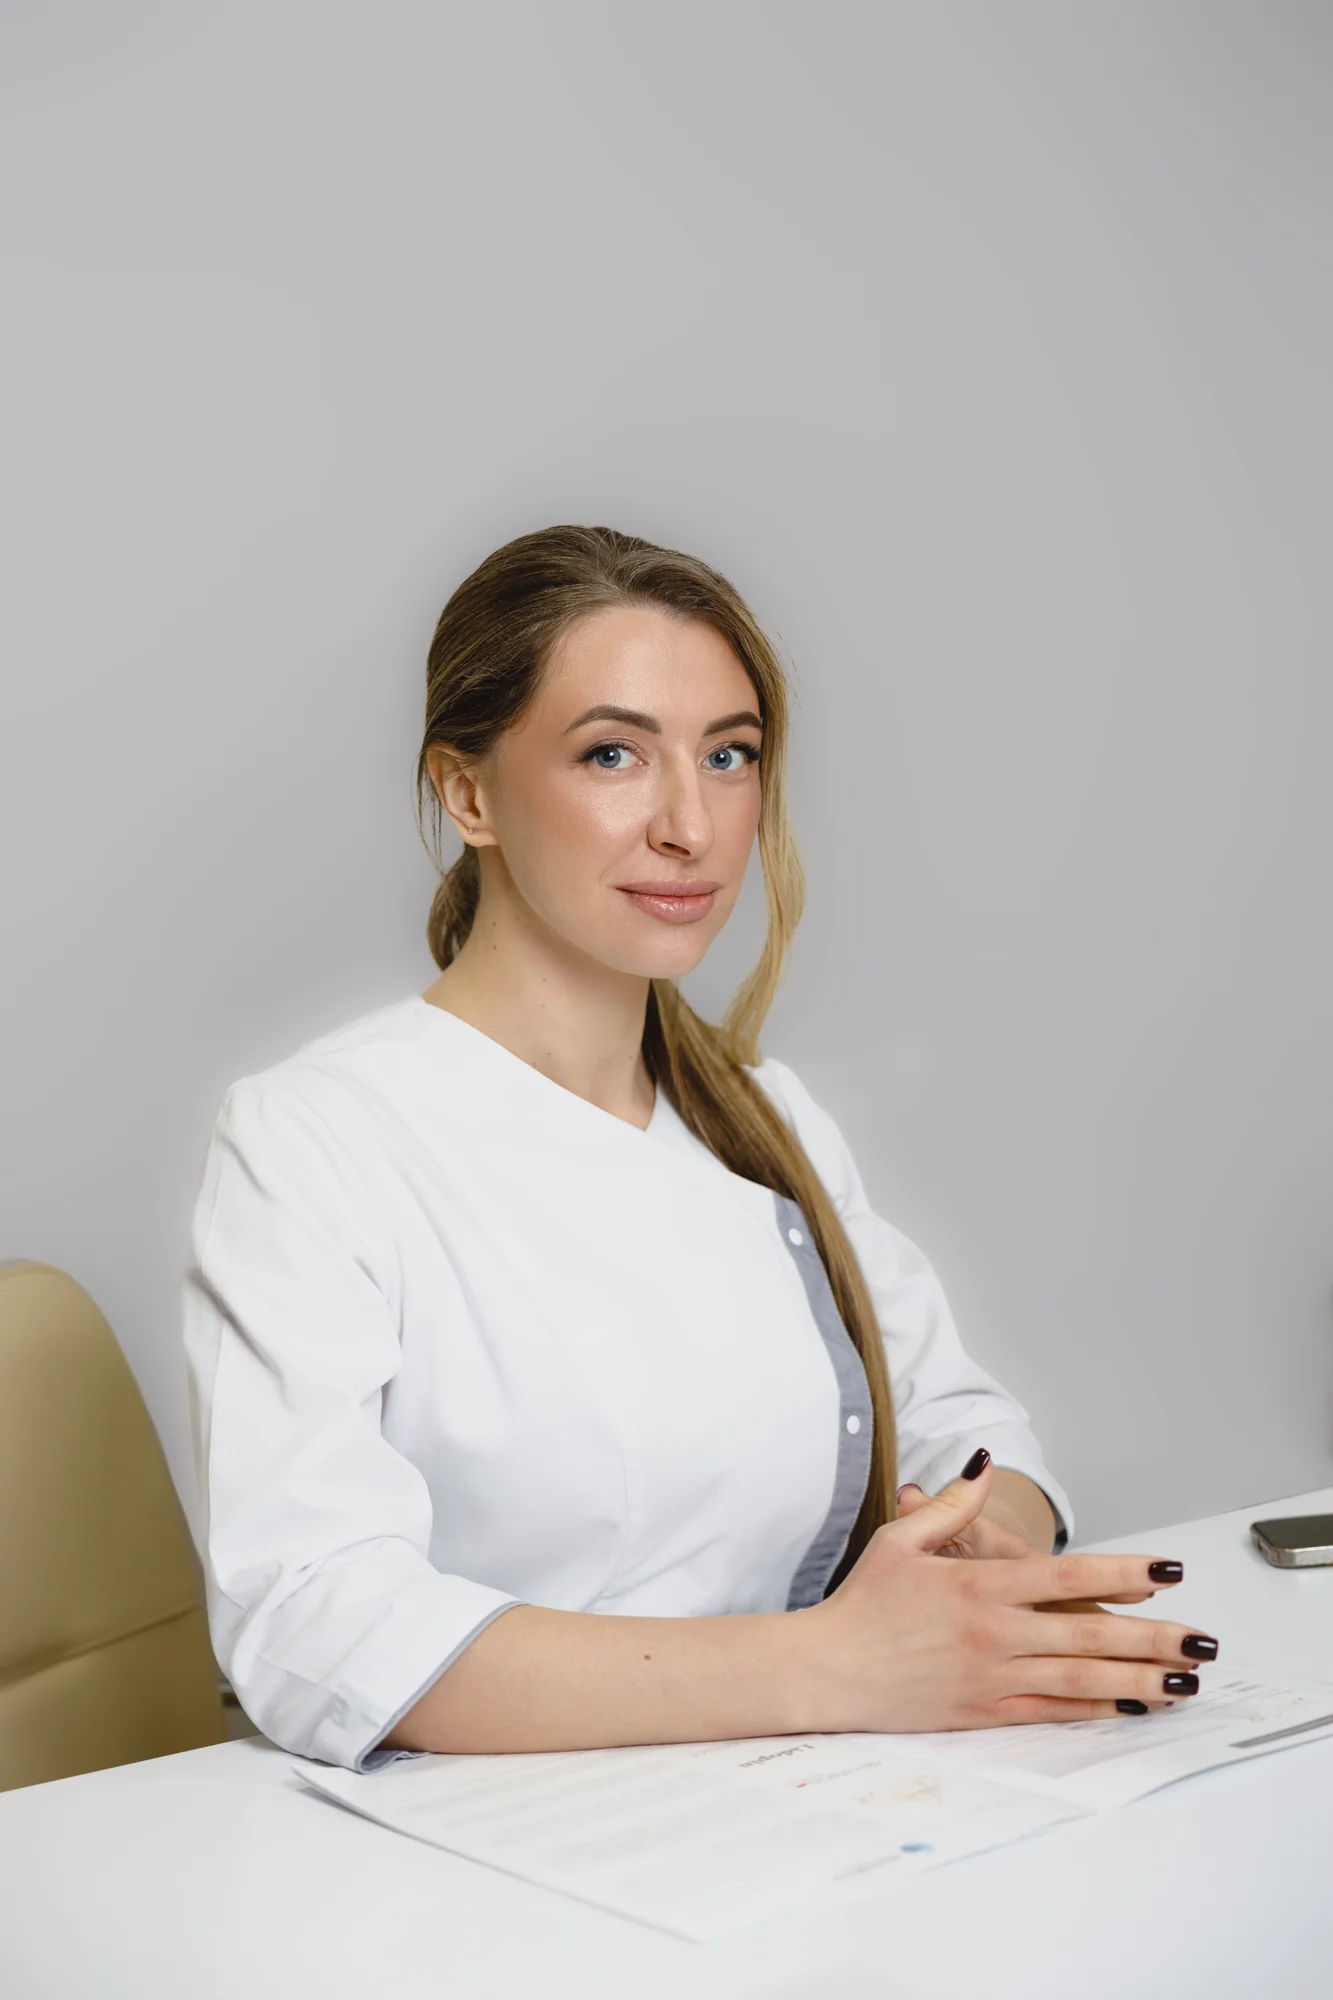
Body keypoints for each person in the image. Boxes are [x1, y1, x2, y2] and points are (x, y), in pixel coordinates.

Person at [181, 524, 1218, 1773]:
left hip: (807, 1786)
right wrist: (838, 1662)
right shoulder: (317, 1136)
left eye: (728, 755)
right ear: (467, 794)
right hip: (496, 1830)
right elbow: (315, 1618)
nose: (691, 824)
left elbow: (954, 1413)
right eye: (611, 753)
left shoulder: (760, 1110)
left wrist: (985, 1531)